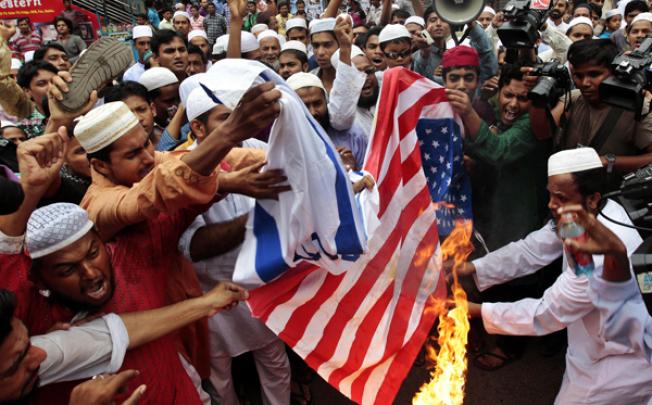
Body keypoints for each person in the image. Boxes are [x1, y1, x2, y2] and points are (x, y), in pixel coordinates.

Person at [453, 147, 652, 404]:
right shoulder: (586, 213)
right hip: (591, 345)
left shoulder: (600, 257)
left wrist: (472, 310)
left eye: (559, 197)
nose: (551, 205)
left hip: (622, 359)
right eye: (550, 195)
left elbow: (547, 313)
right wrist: (474, 268)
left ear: (592, 198)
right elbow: (533, 248)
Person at [179, 82, 291, 404]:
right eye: (228, 119)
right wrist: (254, 222)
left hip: (263, 283)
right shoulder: (183, 168)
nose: (239, 127)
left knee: (274, 360)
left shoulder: (254, 146)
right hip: (213, 295)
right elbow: (193, 246)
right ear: (198, 127)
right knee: (219, 375)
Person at [552, 39, 652, 182]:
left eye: (594, 74)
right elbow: (541, 134)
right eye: (579, 76)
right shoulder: (573, 99)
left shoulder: (638, 107)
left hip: (612, 197)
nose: (585, 83)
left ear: (613, 73)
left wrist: (608, 162)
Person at [288, 72, 367, 168]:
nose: (313, 112)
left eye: (317, 104)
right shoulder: (285, 142)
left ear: (326, 102)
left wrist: (353, 171)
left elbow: (370, 177)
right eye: (304, 106)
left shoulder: (353, 135)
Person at [103, 81, 163, 147]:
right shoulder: (113, 153)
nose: (138, 119)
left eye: (142, 110)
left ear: (152, 109)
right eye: (127, 115)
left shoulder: (174, 137)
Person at [16, 61, 57, 139]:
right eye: (42, 84)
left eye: (54, 82)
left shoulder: (77, 110)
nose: (51, 87)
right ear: (27, 91)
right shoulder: (23, 125)